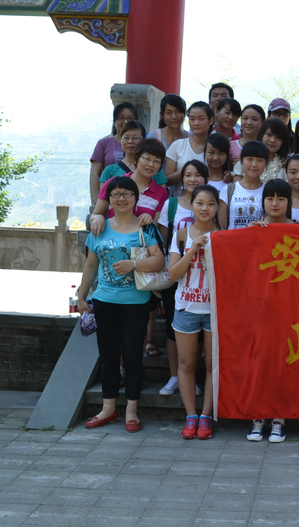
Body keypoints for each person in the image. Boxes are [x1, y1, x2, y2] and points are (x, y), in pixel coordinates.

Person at [78, 176, 164, 433]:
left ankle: (131, 410)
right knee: (108, 358)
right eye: (115, 194)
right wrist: (82, 296)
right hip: (104, 301)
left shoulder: (145, 227)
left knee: (133, 357)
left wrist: (133, 264)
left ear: (136, 198)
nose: (121, 198)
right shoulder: (99, 227)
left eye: (127, 194)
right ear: (109, 199)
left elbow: (159, 260)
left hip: (136, 303)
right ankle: (108, 408)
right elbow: (91, 265)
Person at [247, 179, 298, 443]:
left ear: (289, 202)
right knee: (259, 362)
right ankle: (258, 416)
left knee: (284, 364)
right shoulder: (253, 231)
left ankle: (279, 418)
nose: (274, 203)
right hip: (260, 309)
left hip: (291, 309)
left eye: (280, 198)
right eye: (269, 198)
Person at [167, 184, 220, 441]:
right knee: (186, 364)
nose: (205, 208)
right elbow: (173, 274)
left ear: (217, 207)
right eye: (200, 203)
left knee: (211, 365)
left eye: (210, 204)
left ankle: (206, 416)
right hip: (185, 307)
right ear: (192, 205)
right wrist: (192, 249)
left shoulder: (223, 237)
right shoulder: (181, 235)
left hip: (214, 310)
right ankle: (190, 416)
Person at [156, 160, 209, 396]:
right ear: (182, 179)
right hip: (176, 271)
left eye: (198, 175)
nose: (192, 179)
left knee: (197, 332)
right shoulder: (171, 204)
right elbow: (163, 240)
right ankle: (174, 376)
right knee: (172, 327)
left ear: (206, 179)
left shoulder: (211, 204)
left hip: (202, 278)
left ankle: (191, 378)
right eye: (187, 175)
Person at [90, 101, 137, 204]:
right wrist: (99, 202)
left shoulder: (140, 144)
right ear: (115, 121)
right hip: (110, 197)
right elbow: (95, 174)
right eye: (121, 118)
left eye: (130, 118)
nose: (125, 122)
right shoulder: (103, 143)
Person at [100, 121, 169, 188]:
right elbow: (103, 195)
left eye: (135, 138)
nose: (130, 141)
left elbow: (162, 194)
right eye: (126, 137)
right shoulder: (109, 170)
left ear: (144, 140)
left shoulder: (154, 169)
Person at [165, 102, 213, 195]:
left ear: (211, 120)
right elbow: (167, 180)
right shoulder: (178, 145)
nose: (196, 123)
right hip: (181, 201)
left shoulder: (216, 148)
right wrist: (187, 171)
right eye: (192, 119)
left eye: (201, 119)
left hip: (208, 200)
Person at [221, 141, 268, 229]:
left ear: (266, 163)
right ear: (241, 161)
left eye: (260, 160)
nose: (254, 164)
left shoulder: (269, 191)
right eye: (249, 159)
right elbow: (222, 228)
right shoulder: (227, 190)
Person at [234, 117, 288, 183]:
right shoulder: (241, 164)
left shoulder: (285, 167)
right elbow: (236, 188)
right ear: (261, 134)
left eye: (278, 137)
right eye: (269, 134)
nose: (272, 140)